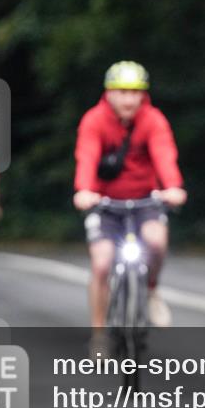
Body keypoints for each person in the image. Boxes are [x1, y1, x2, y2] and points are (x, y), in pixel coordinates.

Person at [73, 60, 187, 345]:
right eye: (121, 91)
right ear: (108, 93)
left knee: (157, 242)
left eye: (135, 92)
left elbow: (164, 155)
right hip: (105, 203)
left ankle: (150, 289)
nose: (128, 99)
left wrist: (173, 187)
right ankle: (99, 334)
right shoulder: (94, 120)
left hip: (145, 200)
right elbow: (86, 156)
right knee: (101, 264)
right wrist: (84, 190)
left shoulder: (153, 120)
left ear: (143, 94)